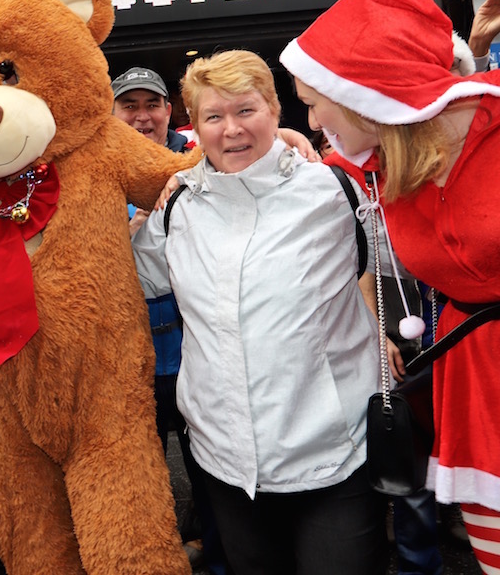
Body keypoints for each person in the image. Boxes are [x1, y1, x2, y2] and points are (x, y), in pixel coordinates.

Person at [132, 49, 386, 575]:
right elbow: (129, 280)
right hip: (225, 464)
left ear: (276, 109)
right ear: (194, 126)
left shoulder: (334, 191)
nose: (231, 130)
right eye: (213, 117)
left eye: (246, 110)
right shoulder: (176, 207)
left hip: (332, 455)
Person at [280, 0, 500, 573]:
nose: (312, 118)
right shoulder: (373, 162)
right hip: (475, 378)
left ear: (364, 95)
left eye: (313, 101)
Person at [111, 66, 226, 574]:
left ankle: (215, 544)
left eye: (151, 105)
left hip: (193, 330)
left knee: (206, 451)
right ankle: (157, 552)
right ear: (110, 113)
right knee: (144, 457)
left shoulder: (197, 156)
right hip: (130, 337)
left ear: (168, 111)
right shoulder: (97, 169)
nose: (141, 117)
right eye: (128, 106)